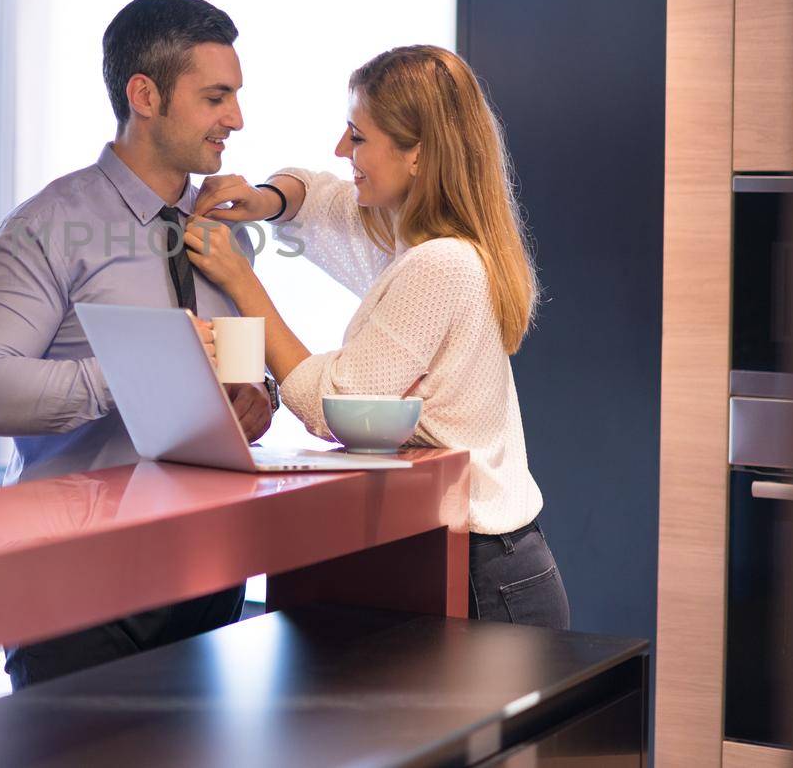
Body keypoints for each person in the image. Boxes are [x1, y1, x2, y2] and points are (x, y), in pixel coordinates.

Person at [183, 44, 570, 629]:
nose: (343, 151)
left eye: (358, 137)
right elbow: (315, 195)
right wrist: (266, 200)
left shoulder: (440, 265)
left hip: (488, 574)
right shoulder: (414, 241)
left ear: (418, 154)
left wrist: (243, 284)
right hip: (494, 559)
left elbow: (333, 404)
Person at [0, 0, 275, 688]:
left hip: (208, 581)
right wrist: (141, 372)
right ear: (145, 95)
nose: (237, 120)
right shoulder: (46, 225)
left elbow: (243, 371)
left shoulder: (226, 230)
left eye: (236, 96)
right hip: (75, 591)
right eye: (217, 97)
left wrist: (259, 397)